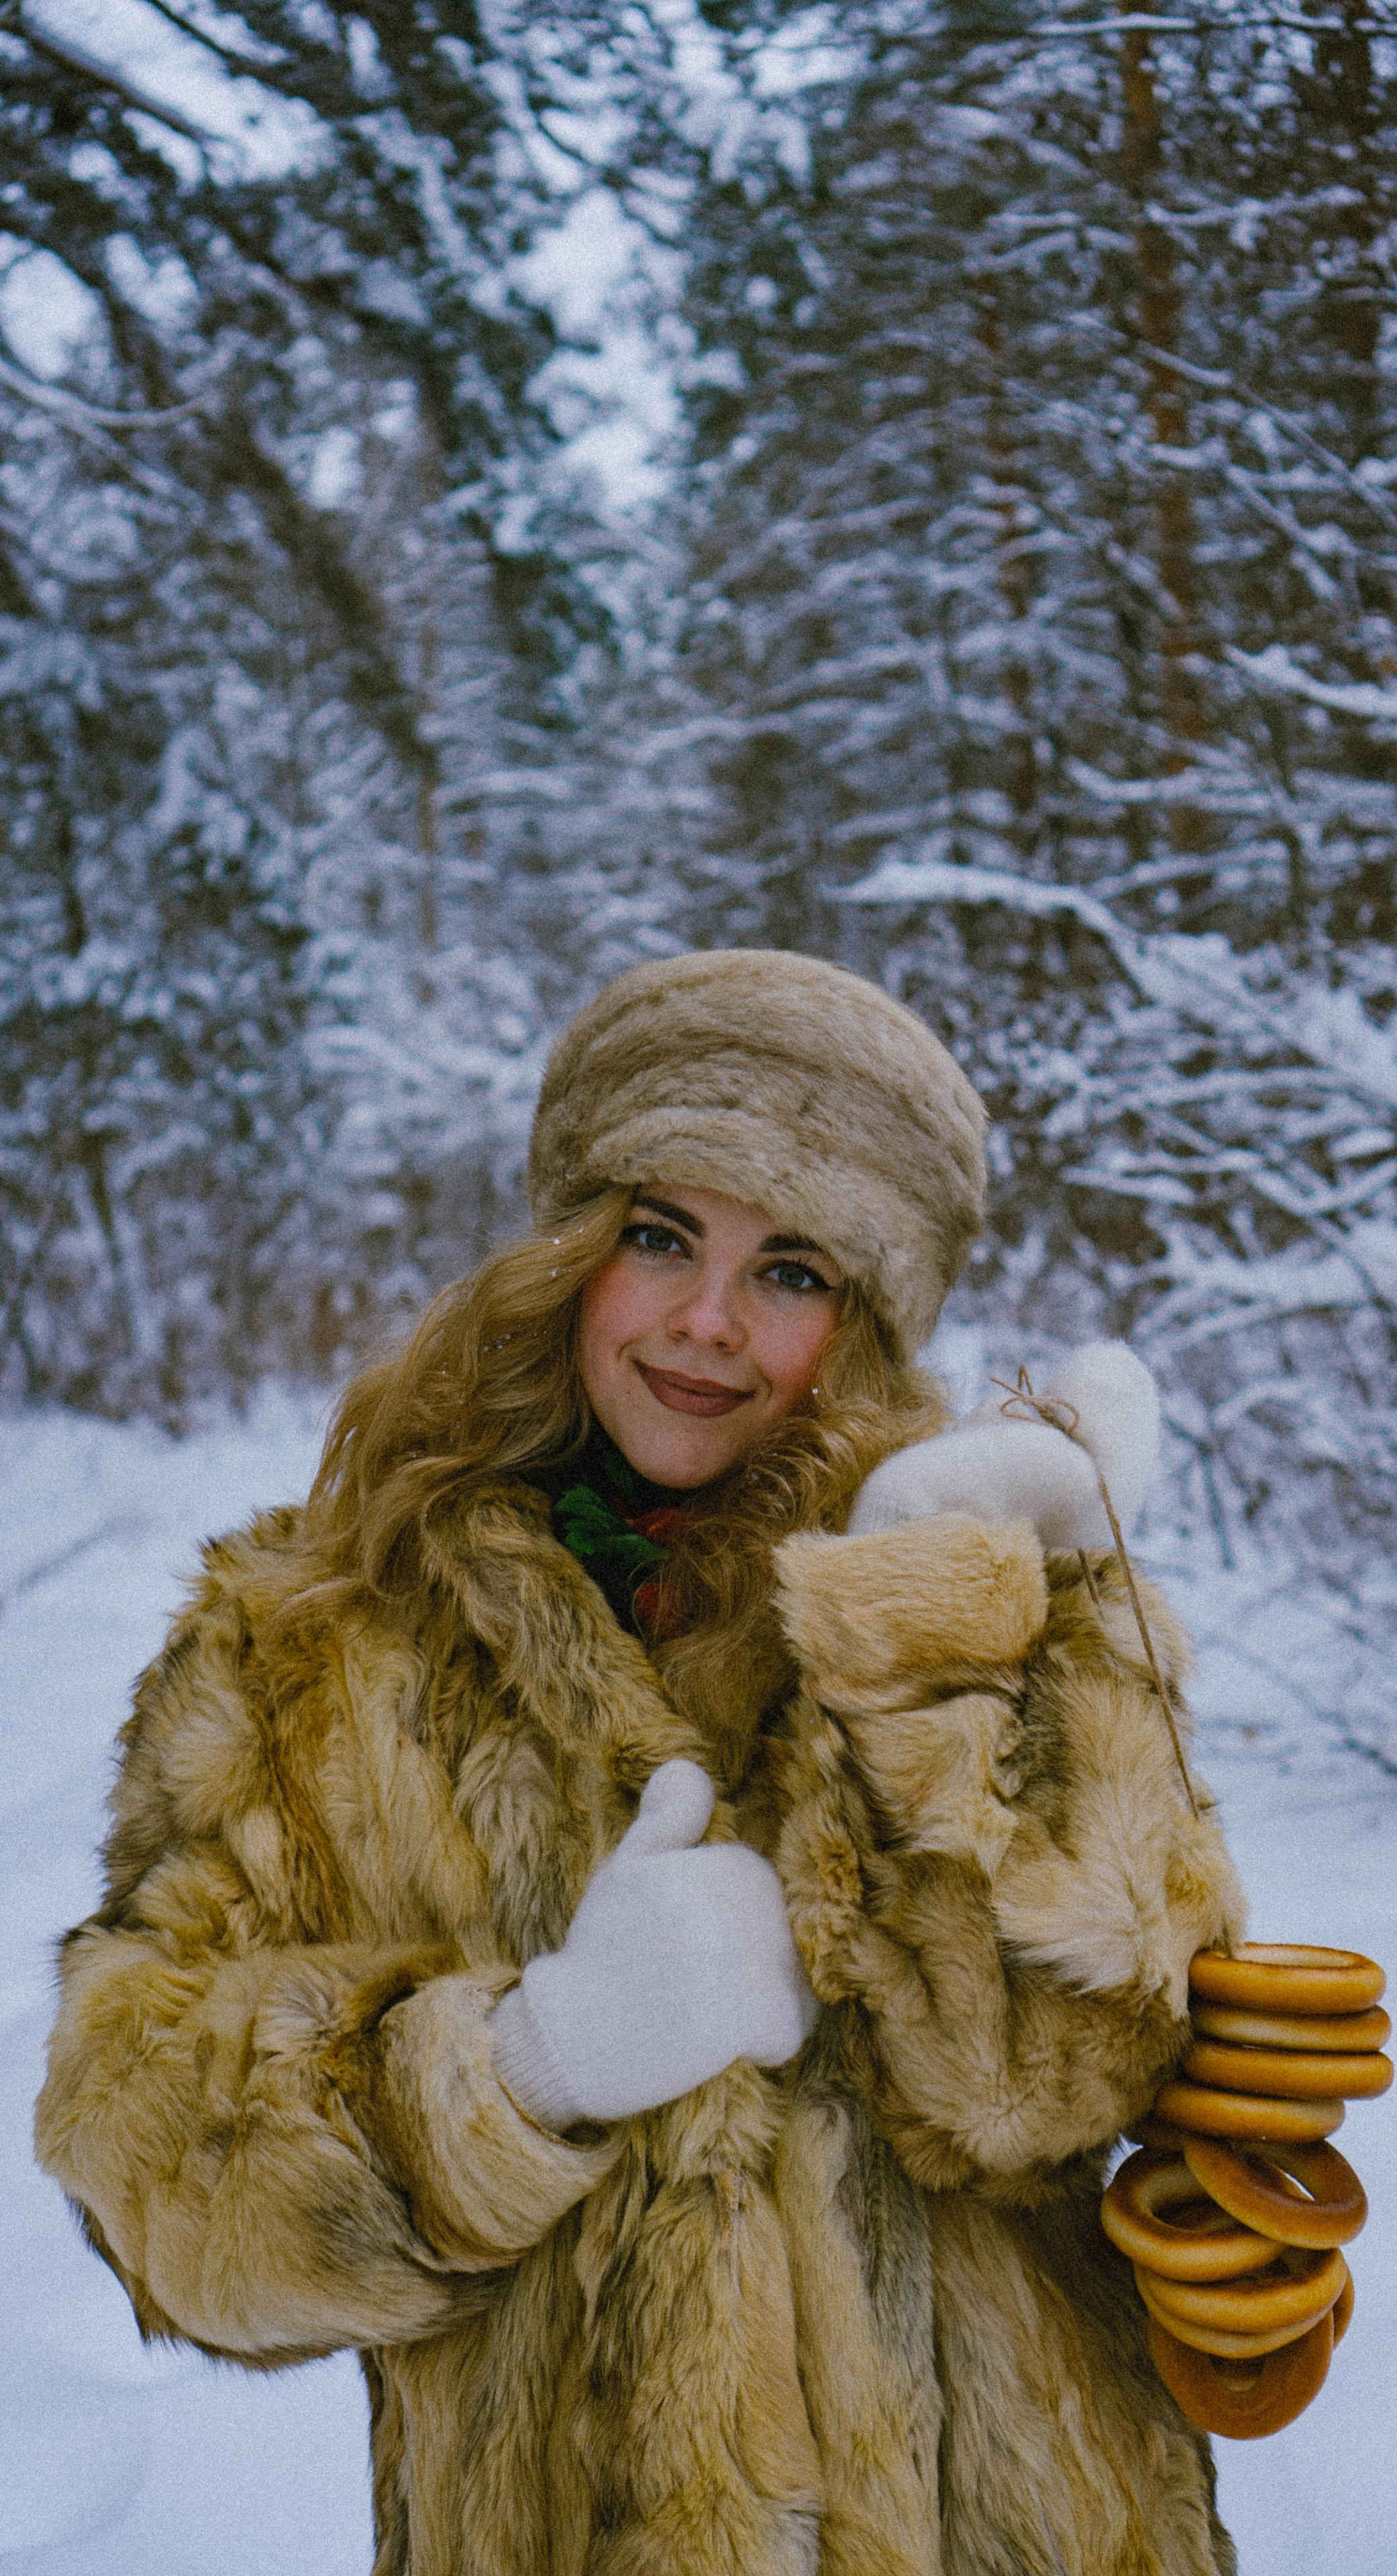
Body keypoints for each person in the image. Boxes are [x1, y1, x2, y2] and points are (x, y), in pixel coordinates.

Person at [36, 950, 1247, 2576]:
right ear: (568, 1253)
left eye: (791, 1271)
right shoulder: (313, 1638)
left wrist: (935, 1639)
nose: (706, 1323)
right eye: (661, 1238)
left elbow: (1064, 2078)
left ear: (866, 1323)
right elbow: (145, 2166)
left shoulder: (978, 1582)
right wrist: (520, 2068)